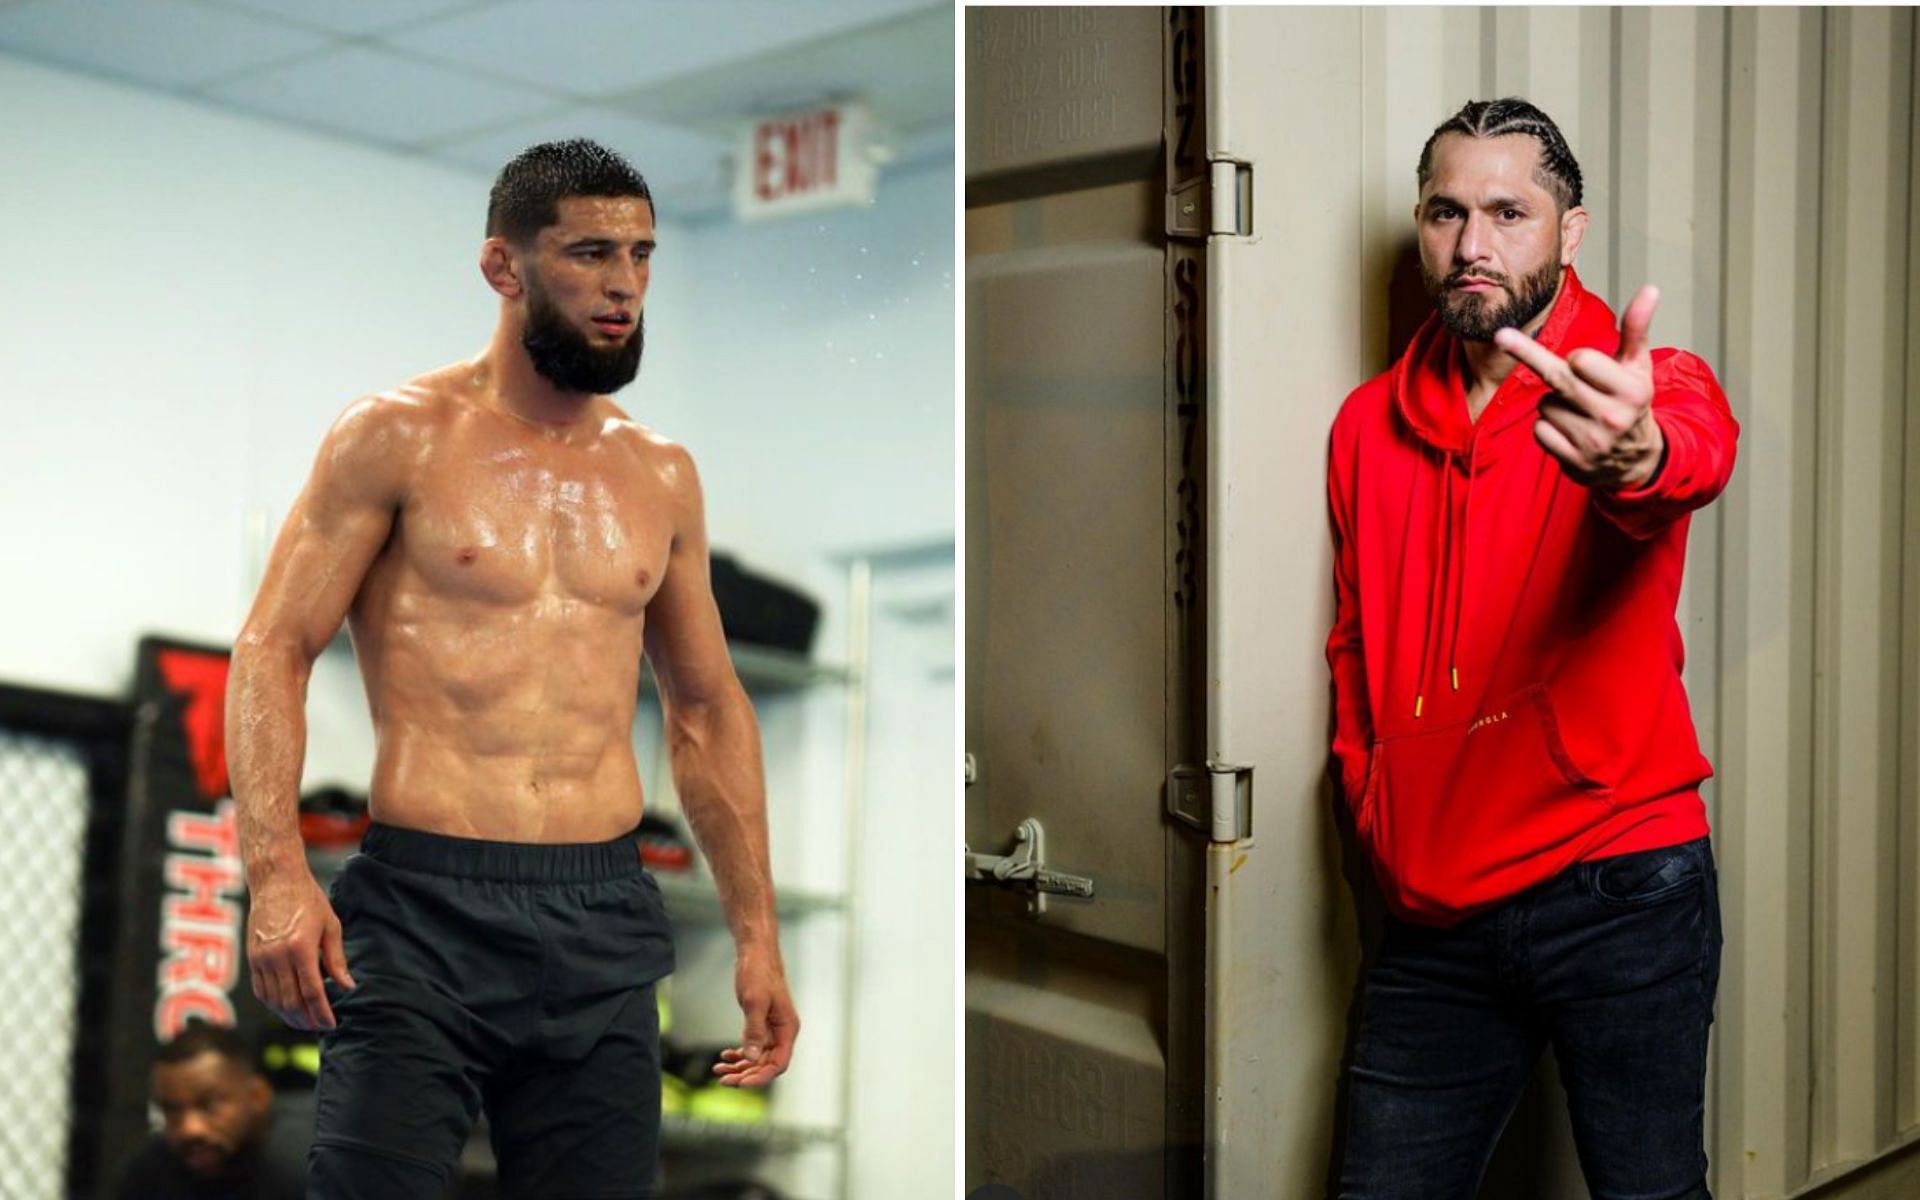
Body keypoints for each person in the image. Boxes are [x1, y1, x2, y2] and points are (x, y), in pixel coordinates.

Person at [226, 138, 798, 1198]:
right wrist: (275, 874)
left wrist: (756, 938)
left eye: (642, 254)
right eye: (589, 253)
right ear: (504, 267)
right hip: (422, 915)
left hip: (602, 915)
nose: (624, 284)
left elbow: (709, 709)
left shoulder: (660, 475)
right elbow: (272, 648)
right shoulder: (395, 438)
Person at [1324, 98, 1739, 1199]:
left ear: (1571, 231)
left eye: (1511, 212)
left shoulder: (1630, 385)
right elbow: (1355, 647)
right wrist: (1377, 804)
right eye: (1446, 212)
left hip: (1620, 886)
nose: (1474, 246)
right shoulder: (1367, 424)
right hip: (1434, 913)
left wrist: (1639, 455)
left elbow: (1687, 446)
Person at [115, 1021, 307, 1200]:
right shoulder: (146, 1178)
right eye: (172, 1110)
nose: (190, 1129)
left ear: (258, 1096)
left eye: (209, 1105)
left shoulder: (314, 1163)